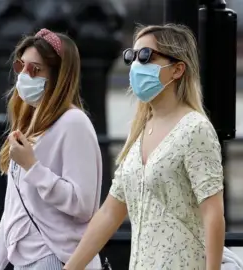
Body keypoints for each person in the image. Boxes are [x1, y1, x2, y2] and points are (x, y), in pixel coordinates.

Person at [64, 23, 226, 270]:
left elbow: (213, 214)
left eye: (146, 56)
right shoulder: (140, 129)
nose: (136, 65)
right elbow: (110, 212)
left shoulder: (195, 129)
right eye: (132, 57)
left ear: (178, 69)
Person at [0, 28, 102, 270]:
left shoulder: (74, 123)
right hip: (25, 261)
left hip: (55, 257)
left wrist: (33, 167)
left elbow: (83, 204)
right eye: (21, 66)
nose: (24, 75)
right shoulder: (30, 124)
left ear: (58, 76)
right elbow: (15, 211)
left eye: (35, 69)